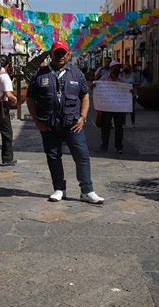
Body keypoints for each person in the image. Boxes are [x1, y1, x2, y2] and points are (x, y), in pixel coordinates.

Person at [26, 41, 104, 204]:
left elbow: (85, 95)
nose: (60, 56)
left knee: (82, 156)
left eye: (63, 53)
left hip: (73, 124)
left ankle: (87, 191)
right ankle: (59, 188)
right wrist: (36, 121)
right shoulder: (40, 74)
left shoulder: (77, 74)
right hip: (49, 125)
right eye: (57, 53)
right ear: (51, 54)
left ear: (68, 55)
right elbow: (30, 98)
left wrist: (83, 117)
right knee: (53, 157)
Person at [98, 60, 127, 154]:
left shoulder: (122, 81)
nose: (117, 69)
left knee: (119, 127)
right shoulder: (104, 79)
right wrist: (94, 86)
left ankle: (119, 146)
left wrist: (129, 92)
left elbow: (127, 92)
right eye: (115, 67)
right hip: (107, 107)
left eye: (119, 67)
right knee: (105, 127)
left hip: (118, 108)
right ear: (111, 69)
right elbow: (97, 88)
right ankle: (104, 146)